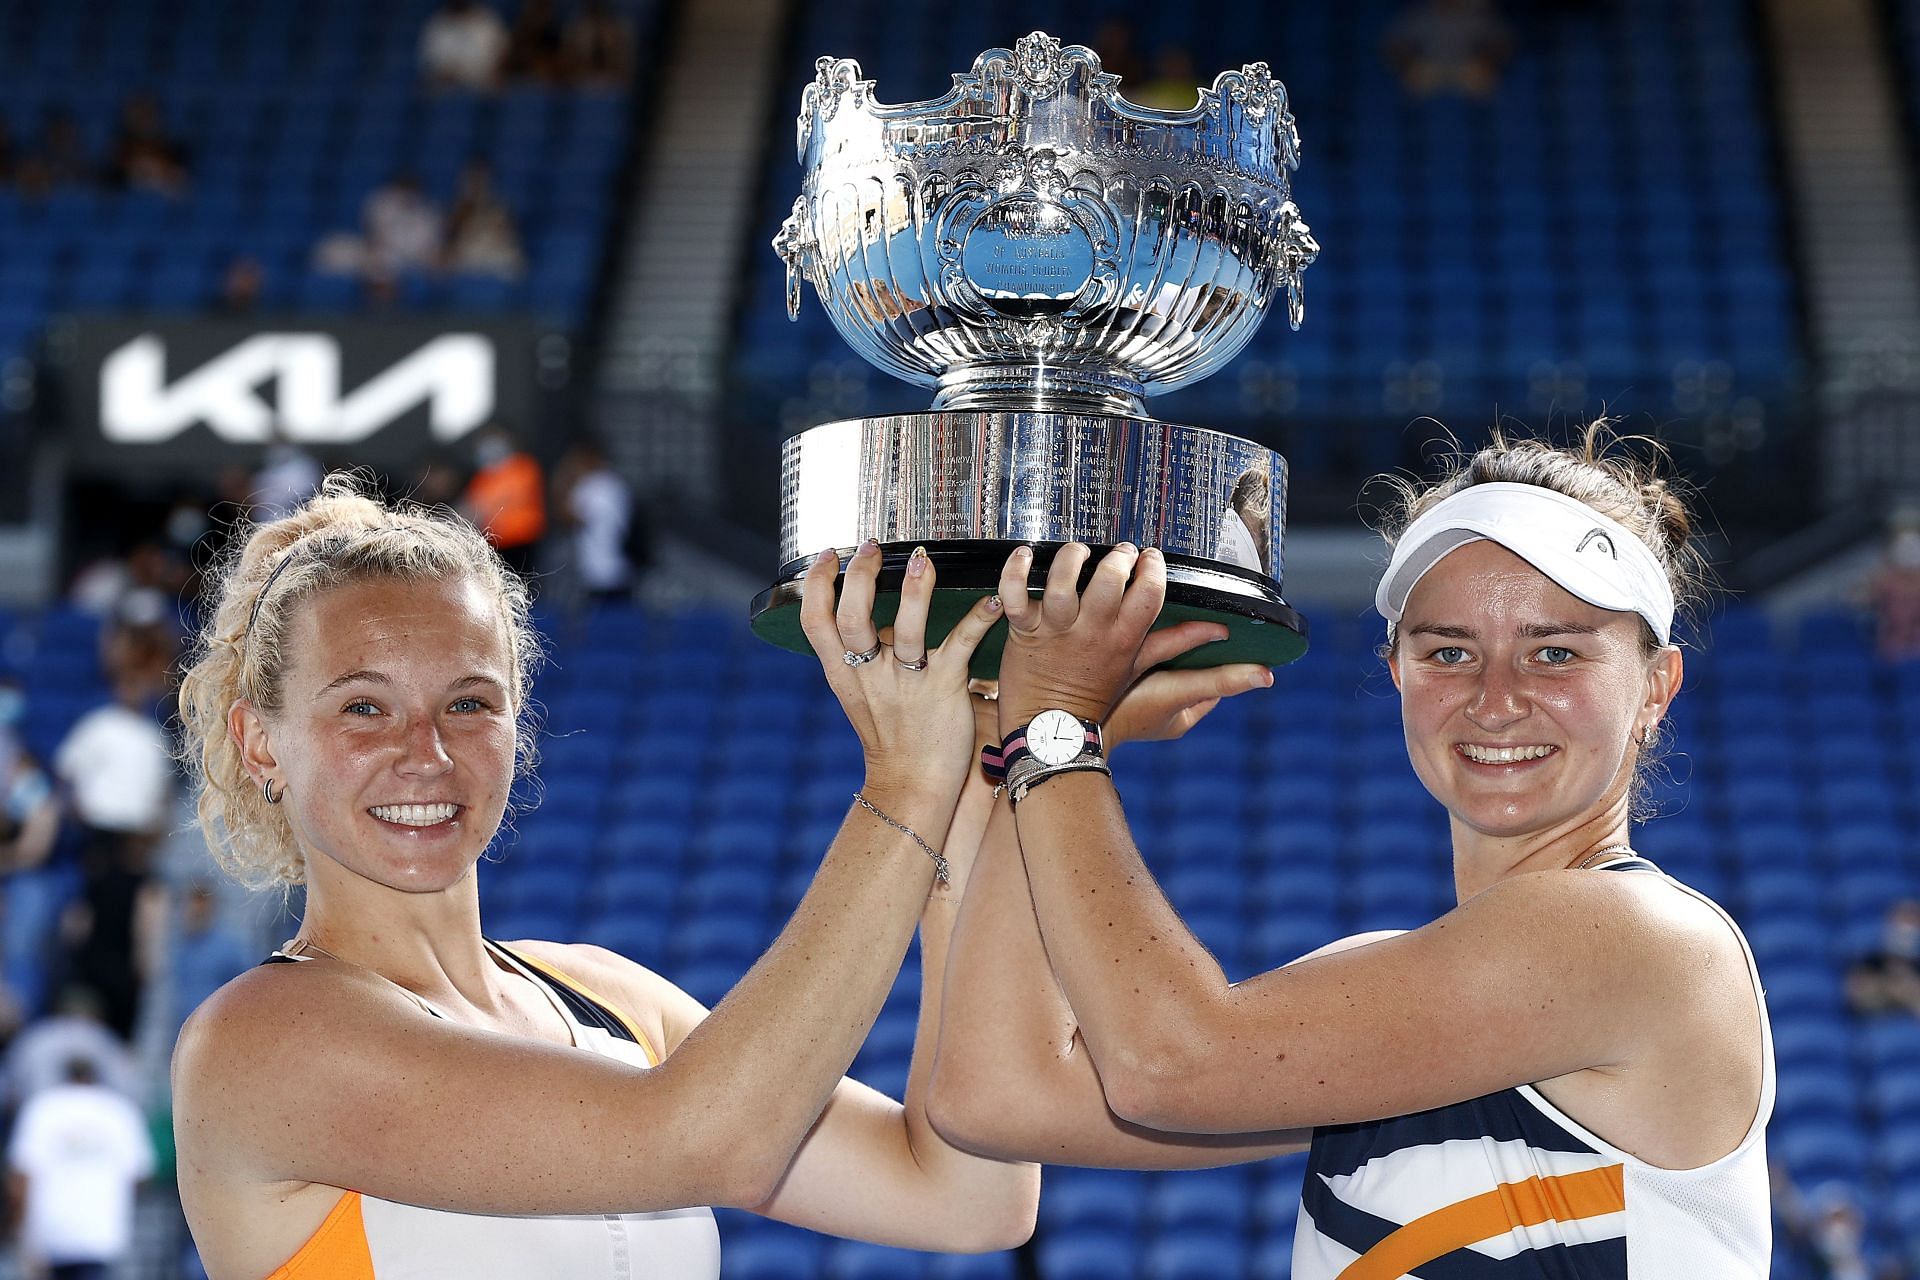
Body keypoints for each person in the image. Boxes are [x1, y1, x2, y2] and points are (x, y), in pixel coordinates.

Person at [931, 428, 1774, 1275]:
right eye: (1449, 651)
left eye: (1554, 653)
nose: (1496, 700)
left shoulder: (1640, 939)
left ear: (1656, 688)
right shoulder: (1398, 990)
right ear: (1398, 672)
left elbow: (1168, 1063)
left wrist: (1059, 733)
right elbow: (998, 1096)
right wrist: (1041, 745)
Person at [169, 476, 1035, 1278]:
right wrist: (905, 785)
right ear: (259, 742)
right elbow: (709, 1141)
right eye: (365, 707)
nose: (425, 754)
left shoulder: (611, 998)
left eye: (468, 703)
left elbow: (964, 1197)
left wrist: (976, 775)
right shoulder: (261, 1038)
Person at [7, 1056, 155, 1280]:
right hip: (100, 1230)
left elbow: (21, 1176)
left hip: (49, 1231)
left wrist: (19, 1227)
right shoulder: (118, 1110)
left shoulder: (43, 1107)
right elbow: (140, 1175)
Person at [460, 425, 547, 577]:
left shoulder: (524, 468)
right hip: (496, 543)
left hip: (525, 539)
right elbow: (476, 509)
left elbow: (516, 497)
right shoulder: (481, 478)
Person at [1384, 0, 1514, 99]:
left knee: (1481, 80)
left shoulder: (1478, 17)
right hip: (1430, 72)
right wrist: (1409, 64)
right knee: (1415, 80)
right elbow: (1394, 45)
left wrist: (1487, 61)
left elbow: (1502, 42)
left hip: (1468, 72)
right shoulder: (1419, 17)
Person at [1846, 899, 1920, 1017]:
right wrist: (1894, 990)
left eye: (1913, 921)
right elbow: (1857, 998)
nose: (1908, 928)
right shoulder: (1871, 960)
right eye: (1903, 919)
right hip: (1876, 1024)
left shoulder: (1916, 965)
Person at [419, 0, 509, 92]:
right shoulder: (437, 23)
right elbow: (430, 59)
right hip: (447, 83)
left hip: (480, 80)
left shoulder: (488, 21)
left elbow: (500, 54)